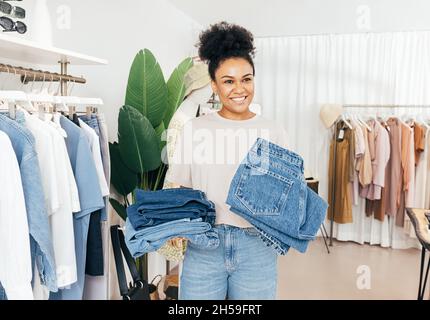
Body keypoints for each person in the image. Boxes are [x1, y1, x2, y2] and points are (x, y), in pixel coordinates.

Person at [167, 21, 289, 300]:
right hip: (205, 245)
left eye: (246, 79)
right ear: (214, 85)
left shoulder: (273, 130)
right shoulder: (195, 129)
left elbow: (284, 194)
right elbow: (179, 186)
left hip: (257, 246)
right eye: (228, 81)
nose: (239, 89)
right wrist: (175, 226)